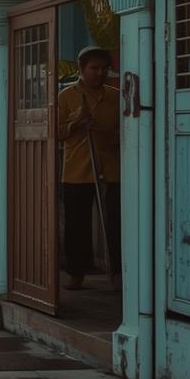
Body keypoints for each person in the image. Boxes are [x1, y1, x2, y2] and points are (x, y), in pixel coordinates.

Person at [58, 46, 121, 291]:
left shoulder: (115, 96)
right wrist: (77, 121)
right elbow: (57, 132)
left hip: (112, 167)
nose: (100, 73)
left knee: (116, 222)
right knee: (77, 225)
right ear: (81, 70)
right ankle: (76, 272)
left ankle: (117, 271)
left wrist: (102, 131)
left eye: (104, 69)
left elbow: (125, 131)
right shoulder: (66, 97)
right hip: (77, 168)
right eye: (94, 68)